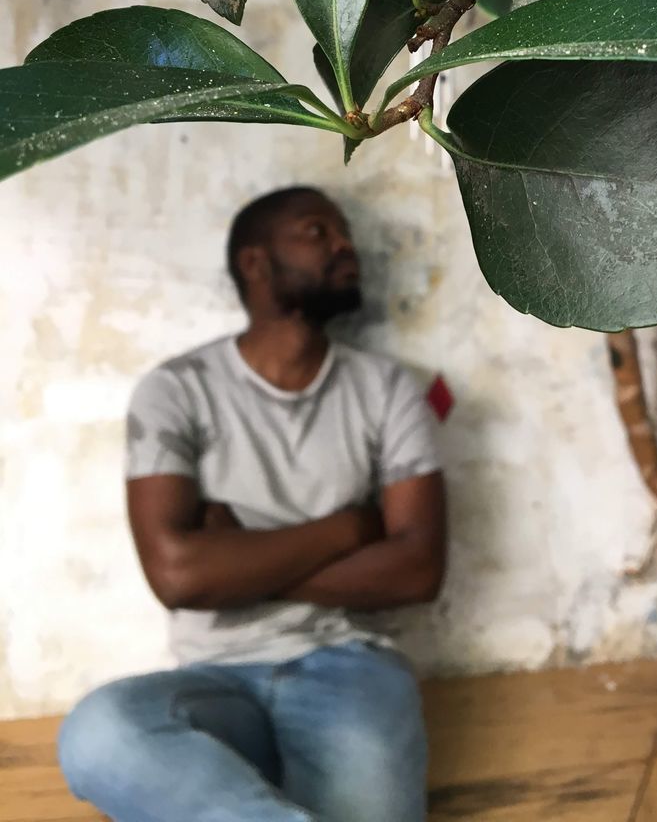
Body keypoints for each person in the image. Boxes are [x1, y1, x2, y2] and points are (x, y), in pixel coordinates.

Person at [58, 185, 448, 822]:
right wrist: (350, 527)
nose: (345, 245)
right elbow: (178, 575)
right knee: (98, 733)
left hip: (349, 667)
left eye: (343, 232)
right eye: (317, 232)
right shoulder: (176, 390)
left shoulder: (388, 390)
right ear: (256, 263)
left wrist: (238, 558)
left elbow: (417, 569)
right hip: (216, 677)